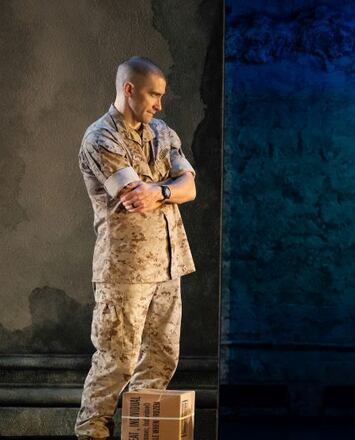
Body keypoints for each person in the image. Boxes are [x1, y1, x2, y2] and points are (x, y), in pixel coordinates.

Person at [74, 56, 197, 439]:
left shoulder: (163, 133)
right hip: (125, 271)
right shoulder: (101, 138)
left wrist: (160, 189)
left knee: (161, 359)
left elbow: (190, 188)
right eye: (153, 95)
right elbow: (132, 198)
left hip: (168, 262)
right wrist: (169, 188)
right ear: (129, 89)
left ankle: (142, 432)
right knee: (118, 360)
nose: (159, 104)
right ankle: (90, 430)